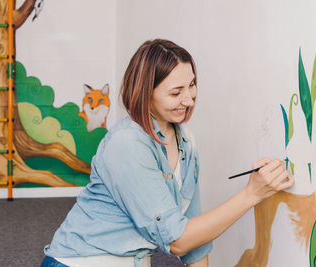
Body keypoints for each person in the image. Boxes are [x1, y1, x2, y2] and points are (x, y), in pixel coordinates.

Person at [41, 39, 294, 267]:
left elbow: (195, 239)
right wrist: (252, 193)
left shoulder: (187, 141)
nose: (189, 100)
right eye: (176, 92)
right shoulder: (127, 144)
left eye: (192, 85)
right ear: (145, 94)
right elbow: (179, 241)